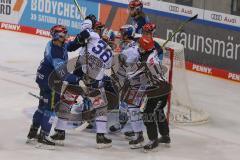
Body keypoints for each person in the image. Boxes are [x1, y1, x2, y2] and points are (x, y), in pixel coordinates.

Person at [26, 25, 81, 149]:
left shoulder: (56, 44)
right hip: (50, 82)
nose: (66, 36)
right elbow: (63, 73)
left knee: (42, 106)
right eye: (63, 34)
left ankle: (33, 132)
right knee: (50, 109)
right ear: (57, 36)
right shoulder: (56, 52)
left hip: (42, 77)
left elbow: (69, 46)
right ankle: (43, 138)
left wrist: (80, 39)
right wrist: (78, 79)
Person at [137, 35, 171, 152]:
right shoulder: (154, 51)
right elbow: (157, 47)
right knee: (158, 110)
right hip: (164, 86)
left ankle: (153, 140)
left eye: (140, 46)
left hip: (157, 89)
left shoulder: (145, 60)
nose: (138, 47)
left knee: (147, 113)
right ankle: (165, 136)